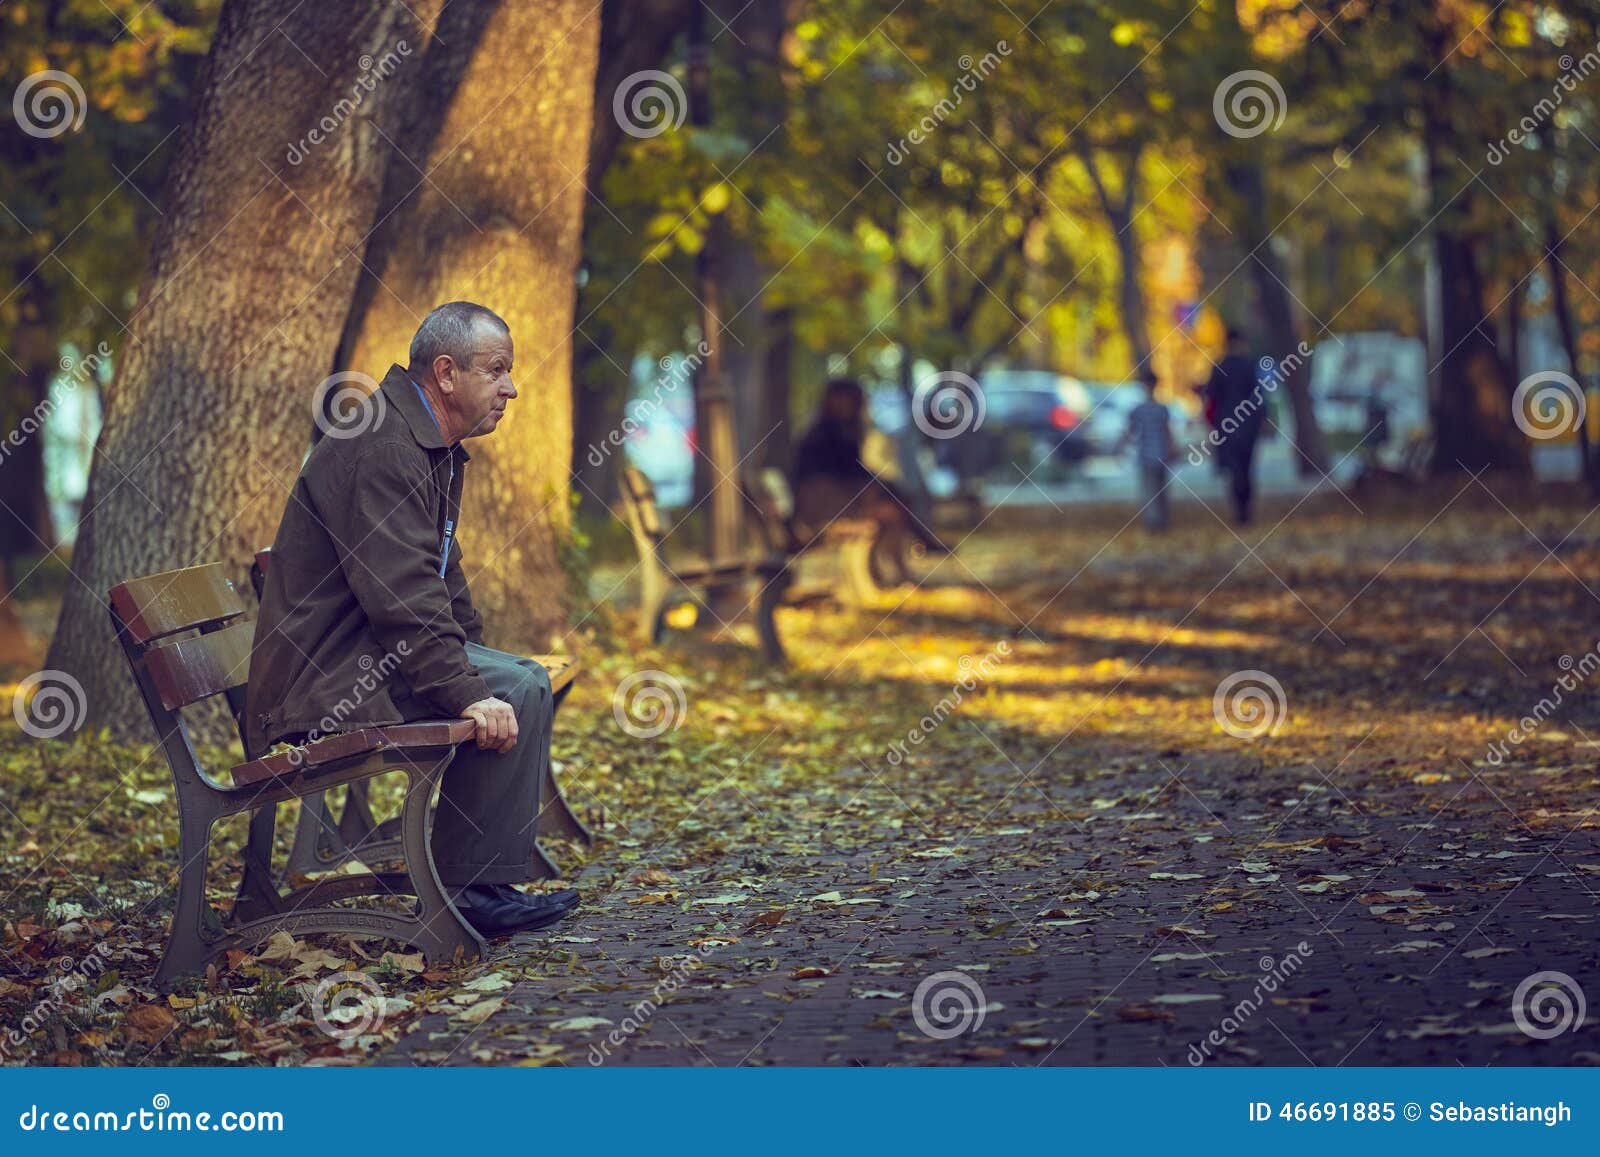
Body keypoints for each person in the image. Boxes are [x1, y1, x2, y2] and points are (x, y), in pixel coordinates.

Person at [246, 301, 579, 939]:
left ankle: (477, 882)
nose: (511, 387)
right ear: (447, 373)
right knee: (517, 687)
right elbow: (401, 597)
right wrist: (471, 691)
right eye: (497, 370)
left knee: (516, 679)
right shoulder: (382, 446)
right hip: (323, 683)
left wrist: (475, 664)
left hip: (359, 657)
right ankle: (472, 892)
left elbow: (440, 578)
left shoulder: (424, 442)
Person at [791, 377, 949, 558]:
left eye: (850, 399)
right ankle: (920, 542)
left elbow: (851, 470)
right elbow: (839, 473)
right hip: (823, 501)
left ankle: (915, 544)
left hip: (839, 496)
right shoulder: (823, 432)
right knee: (892, 499)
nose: (846, 404)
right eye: (842, 398)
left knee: (893, 496)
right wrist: (876, 484)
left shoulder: (840, 429)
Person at [1204, 328, 1265, 525]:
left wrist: (1213, 424)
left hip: (1227, 426)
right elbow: (1258, 396)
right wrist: (1262, 421)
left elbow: (1210, 397)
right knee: (1247, 469)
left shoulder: (1219, 366)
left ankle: (1238, 510)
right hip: (1248, 426)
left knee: (1233, 469)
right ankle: (1246, 510)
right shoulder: (1249, 365)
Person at [1123, 368, 1176, 531]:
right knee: (1161, 489)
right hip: (1161, 453)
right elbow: (1168, 433)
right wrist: (1172, 448)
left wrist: (1121, 446)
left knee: (1150, 490)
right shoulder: (1162, 409)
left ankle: (1153, 521)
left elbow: (1130, 432)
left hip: (1146, 455)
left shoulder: (1138, 410)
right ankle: (1161, 520)